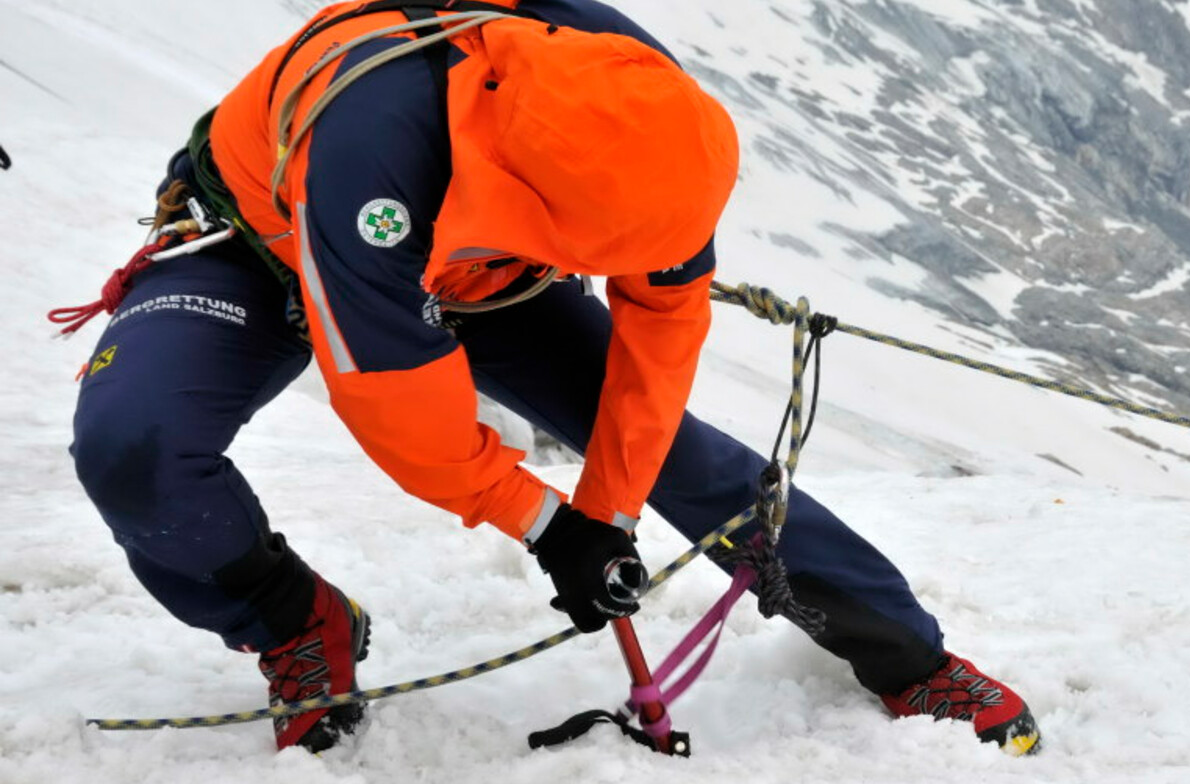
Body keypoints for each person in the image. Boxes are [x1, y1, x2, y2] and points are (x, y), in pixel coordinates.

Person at [64, 0, 1039, 756]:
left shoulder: (644, 126)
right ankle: (291, 619)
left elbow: (655, 353)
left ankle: (912, 661)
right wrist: (547, 524)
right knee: (131, 442)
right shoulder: (379, 144)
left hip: (489, 274)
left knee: (680, 458)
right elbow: (398, 400)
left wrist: (605, 515)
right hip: (262, 246)